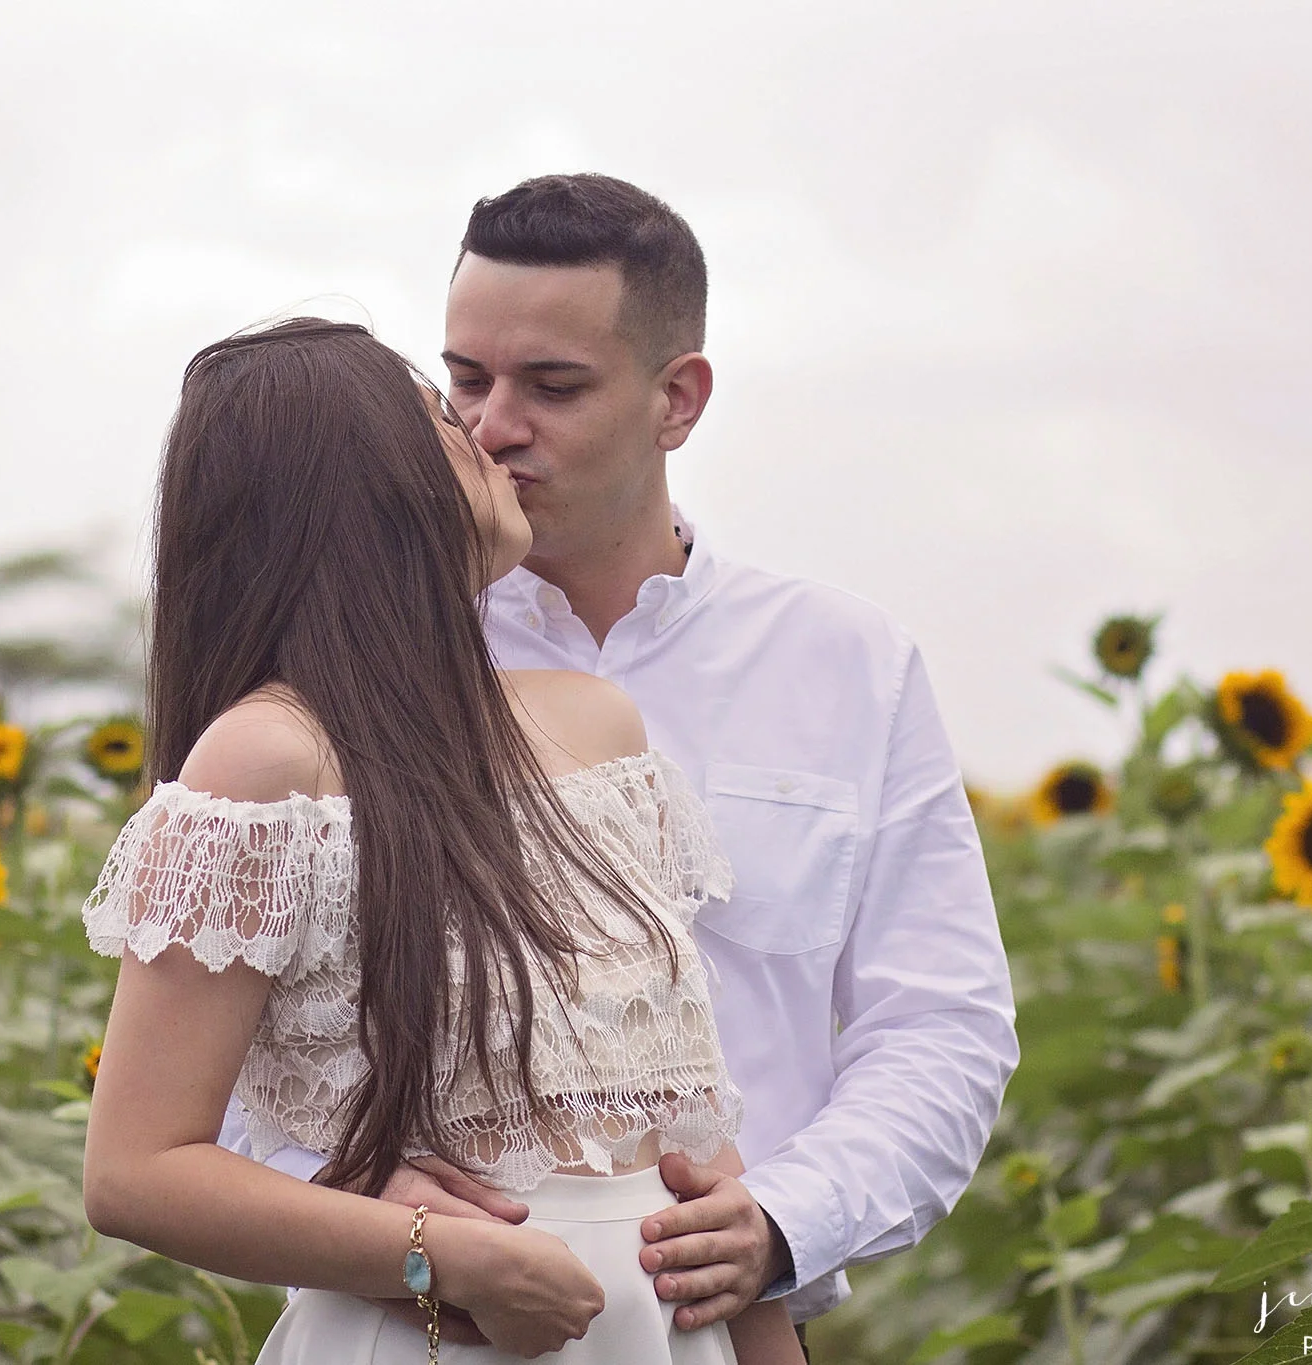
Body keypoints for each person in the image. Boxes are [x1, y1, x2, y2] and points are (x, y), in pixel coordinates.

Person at [235, 175, 1021, 1344]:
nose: (495, 425)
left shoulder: (846, 665)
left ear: (678, 399)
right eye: (464, 381)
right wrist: (350, 1196)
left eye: (553, 385)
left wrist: (779, 1222)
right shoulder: (355, 678)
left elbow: (939, 1024)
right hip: (429, 1327)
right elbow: (213, 1048)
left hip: (733, 1329)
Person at [80, 318, 805, 1364]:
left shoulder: (598, 727)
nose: (480, 433)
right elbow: (135, 1170)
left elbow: (693, 1142)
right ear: (355, 481)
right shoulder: (268, 759)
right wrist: (433, 1258)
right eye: (437, 412)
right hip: (435, 1340)